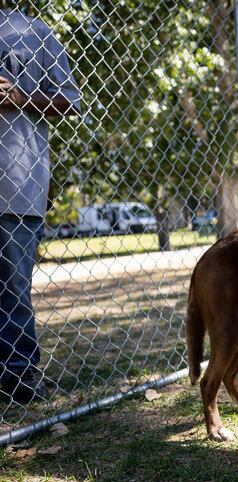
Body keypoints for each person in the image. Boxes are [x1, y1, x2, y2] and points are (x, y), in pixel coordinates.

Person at [0, 2, 81, 403]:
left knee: (12, 287)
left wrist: (19, 94)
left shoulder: (33, 31)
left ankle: (18, 378)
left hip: (14, 179)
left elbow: (69, 100)